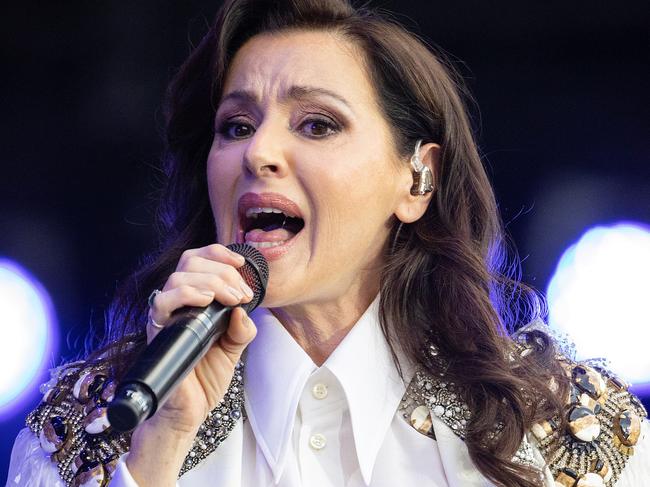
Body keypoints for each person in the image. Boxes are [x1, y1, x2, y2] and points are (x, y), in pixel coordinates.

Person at [7, 0, 649, 486]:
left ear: (417, 177)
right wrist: (156, 450)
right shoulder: (82, 427)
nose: (258, 152)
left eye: (316, 124)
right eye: (236, 126)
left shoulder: (564, 430)